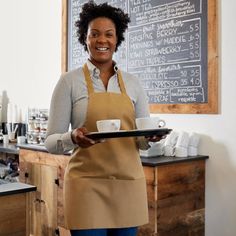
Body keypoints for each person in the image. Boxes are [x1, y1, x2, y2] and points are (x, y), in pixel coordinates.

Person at [45, 1, 164, 236]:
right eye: (95, 34)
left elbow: (140, 138)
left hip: (128, 185)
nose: (102, 40)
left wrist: (151, 138)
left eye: (109, 34)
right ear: (85, 38)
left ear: (117, 39)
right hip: (86, 186)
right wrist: (72, 137)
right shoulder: (68, 82)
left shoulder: (133, 83)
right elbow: (50, 142)